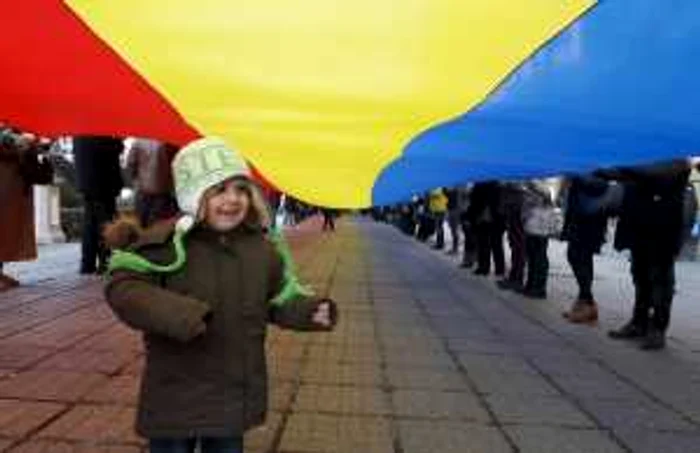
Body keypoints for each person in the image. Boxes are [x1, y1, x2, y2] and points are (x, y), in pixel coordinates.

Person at [103, 137, 338, 453]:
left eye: (241, 189)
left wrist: (308, 310)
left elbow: (277, 297)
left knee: (226, 445)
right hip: (177, 388)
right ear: (192, 193)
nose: (233, 199)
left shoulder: (260, 250)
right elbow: (123, 286)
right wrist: (179, 314)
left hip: (232, 388)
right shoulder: (167, 245)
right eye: (219, 190)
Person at [608, 160, 691, 350]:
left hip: (662, 230)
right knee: (640, 276)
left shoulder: (676, 160)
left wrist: (619, 163)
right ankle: (639, 322)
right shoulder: (646, 159)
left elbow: (652, 173)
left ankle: (658, 328)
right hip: (640, 225)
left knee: (660, 280)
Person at [0, 126, 52, 290]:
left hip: (15, 186)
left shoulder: (18, 127)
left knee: (8, 230)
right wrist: (18, 142)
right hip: (6, 186)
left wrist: (36, 145)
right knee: (4, 227)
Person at [560, 176, 613, 323]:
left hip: (589, 221)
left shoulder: (595, 168)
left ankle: (588, 303)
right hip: (580, 218)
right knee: (579, 257)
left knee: (578, 256)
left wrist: (578, 176)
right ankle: (584, 302)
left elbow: (599, 185)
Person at [73, 135, 124, 274]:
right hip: (103, 183)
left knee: (90, 224)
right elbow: (116, 148)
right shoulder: (102, 130)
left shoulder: (80, 131)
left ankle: (87, 264)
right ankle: (105, 263)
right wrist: (118, 139)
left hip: (87, 183)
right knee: (105, 223)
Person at [126, 138, 178, 227]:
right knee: (158, 217)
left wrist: (133, 178)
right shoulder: (166, 143)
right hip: (162, 185)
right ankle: (154, 231)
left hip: (143, 185)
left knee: (142, 214)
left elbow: (131, 163)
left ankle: (143, 229)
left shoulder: (137, 143)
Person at [520, 181, 557, 299]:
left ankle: (538, 287)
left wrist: (532, 184)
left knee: (539, 257)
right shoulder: (535, 186)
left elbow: (548, 194)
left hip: (540, 226)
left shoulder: (546, 184)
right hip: (533, 224)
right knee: (532, 256)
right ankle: (531, 284)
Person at [467, 181, 505, 276]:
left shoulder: (493, 185)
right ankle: (492, 268)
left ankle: (489, 267)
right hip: (485, 217)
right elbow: (474, 201)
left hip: (492, 217)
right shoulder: (494, 184)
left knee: (491, 244)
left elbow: (474, 201)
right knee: (487, 243)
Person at [497, 183, 527, 291]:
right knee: (515, 246)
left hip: (515, 207)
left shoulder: (516, 185)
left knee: (519, 247)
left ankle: (517, 279)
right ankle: (514, 277)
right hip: (512, 206)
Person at [444, 187, 461, 255]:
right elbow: (446, 194)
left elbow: (449, 195)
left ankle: (455, 248)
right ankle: (454, 248)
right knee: (453, 229)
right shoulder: (453, 188)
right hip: (452, 209)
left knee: (455, 230)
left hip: (455, 209)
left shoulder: (458, 188)